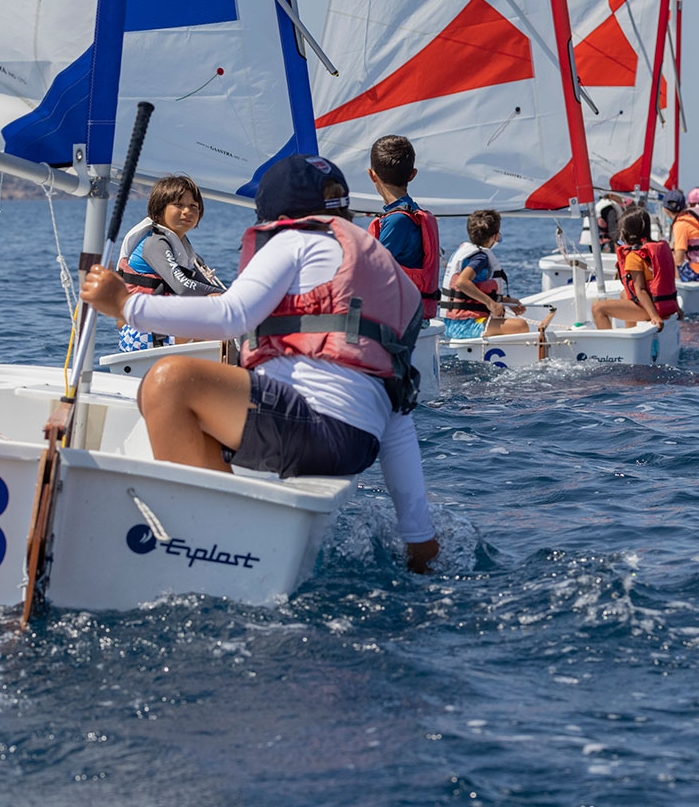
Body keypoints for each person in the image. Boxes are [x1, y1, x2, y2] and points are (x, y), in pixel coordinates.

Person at [78, 155, 439, 572]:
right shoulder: (379, 268)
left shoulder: (296, 238)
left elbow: (233, 315)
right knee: (206, 406)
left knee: (169, 382)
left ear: (277, 211)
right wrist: (419, 537)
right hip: (353, 445)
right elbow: (398, 414)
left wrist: (125, 304)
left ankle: (205, 546)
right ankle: (230, 533)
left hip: (310, 426)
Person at [115, 174, 220, 352]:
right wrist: (228, 297)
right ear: (159, 210)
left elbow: (204, 286)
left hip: (161, 327)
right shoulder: (154, 243)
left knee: (224, 311)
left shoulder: (184, 251)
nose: (187, 211)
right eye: (179, 205)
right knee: (218, 305)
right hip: (142, 333)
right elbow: (183, 288)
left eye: (193, 206)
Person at [364, 134, 440, 322]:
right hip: (410, 313)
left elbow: (372, 271)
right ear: (412, 174)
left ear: (372, 175)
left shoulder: (398, 220)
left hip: (402, 319)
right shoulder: (412, 214)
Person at [440, 209, 529, 340]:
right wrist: (491, 304)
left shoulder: (467, 252)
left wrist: (505, 301)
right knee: (521, 326)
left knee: (511, 322)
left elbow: (471, 292)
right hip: (465, 325)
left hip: (455, 323)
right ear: (496, 236)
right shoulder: (480, 258)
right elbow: (462, 283)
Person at [592, 207, 680, 329]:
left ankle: (609, 347)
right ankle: (630, 332)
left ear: (625, 232)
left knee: (598, 308)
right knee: (624, 294)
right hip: (667, 305)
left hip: (654, 309)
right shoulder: (660, 249)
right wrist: (677, 308)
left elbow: (641, 290)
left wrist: (654, 316)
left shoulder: (634, 256)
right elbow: (668, 282)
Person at [663, 187, 699, 283]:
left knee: (667, 260)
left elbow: (679, 260)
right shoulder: (691, 217)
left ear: (665, 210)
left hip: (697, 273)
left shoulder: (680, 224)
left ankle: (675, 291)